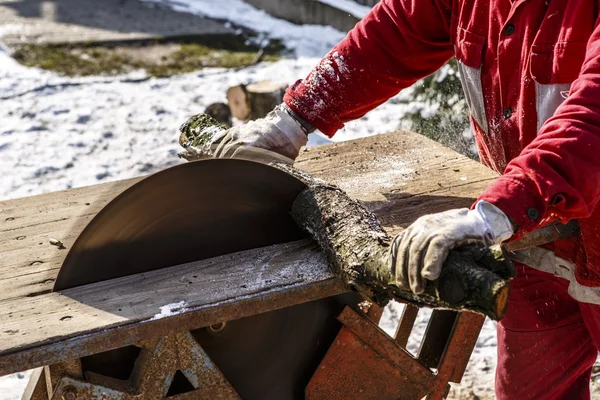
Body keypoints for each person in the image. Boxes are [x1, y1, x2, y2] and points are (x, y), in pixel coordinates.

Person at [197, 1, 600, 398]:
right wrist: (294, 118)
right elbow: (396, 32)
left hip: (534, 213)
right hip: (533, 235)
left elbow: (593, 118)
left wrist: (502, 209)